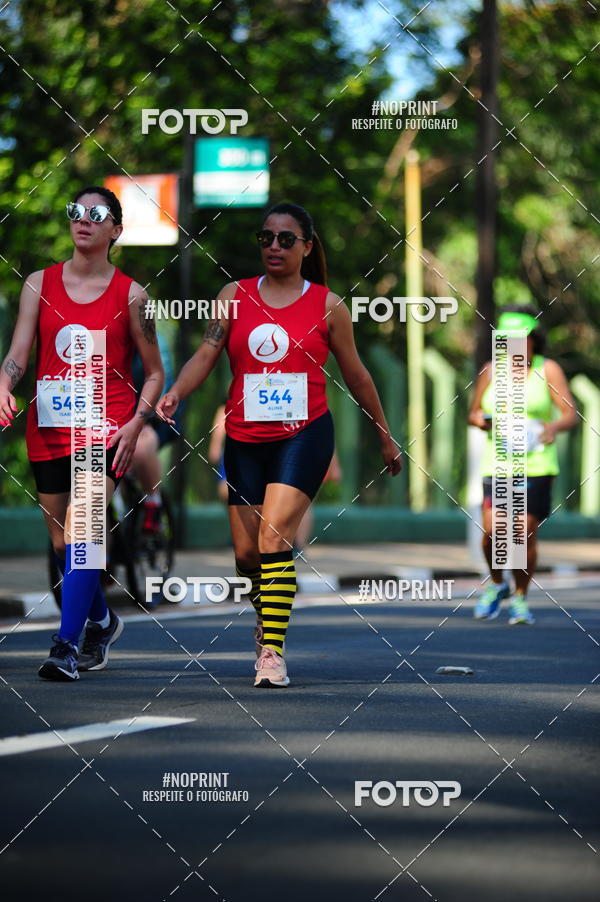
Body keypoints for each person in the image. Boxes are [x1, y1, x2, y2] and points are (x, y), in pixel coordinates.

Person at [157, 201, 402, 688]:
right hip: (245, 438)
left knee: (274, 540)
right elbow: (207, 355)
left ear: (307, 247)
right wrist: (175, 393)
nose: (273, 246)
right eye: (266, 237)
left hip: (304, 433)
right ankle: (265, 615)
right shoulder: (233, 296)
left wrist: (384, 435)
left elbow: (356, 375)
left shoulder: (329, 306)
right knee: (247, 556)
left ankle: (272, 650)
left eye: (286, 239)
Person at [0, 186, 164, 680]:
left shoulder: (132, 295)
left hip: (105, 428)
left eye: (97, 214)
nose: (84, 220)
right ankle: (101, 618)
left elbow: (154, 372)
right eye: (77, 211)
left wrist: (136, 423)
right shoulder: (38, 284)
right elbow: (18, 355)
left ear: (116, 229)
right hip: (49, 428)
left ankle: (66, 645)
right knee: (61, 542)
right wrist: (3, 384)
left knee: (85, 535)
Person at [468, 305, 578, 624]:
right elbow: (472, 413)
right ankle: (497, 584)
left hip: (537, 464)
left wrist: (552, 428)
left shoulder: (548, 370)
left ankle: (520, 597)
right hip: (498, 462)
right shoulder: (491, 371)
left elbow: (571, 412)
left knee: (523, 532)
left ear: (533, 340)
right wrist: (481, 421)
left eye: (521, 338)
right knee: (492, 531)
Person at [130, 331, 182, 532]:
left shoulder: (154, 341)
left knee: (142, 446)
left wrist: (143, 416)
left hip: (156, 416)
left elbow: (161, 378)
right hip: (116, 415)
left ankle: (153, 502)